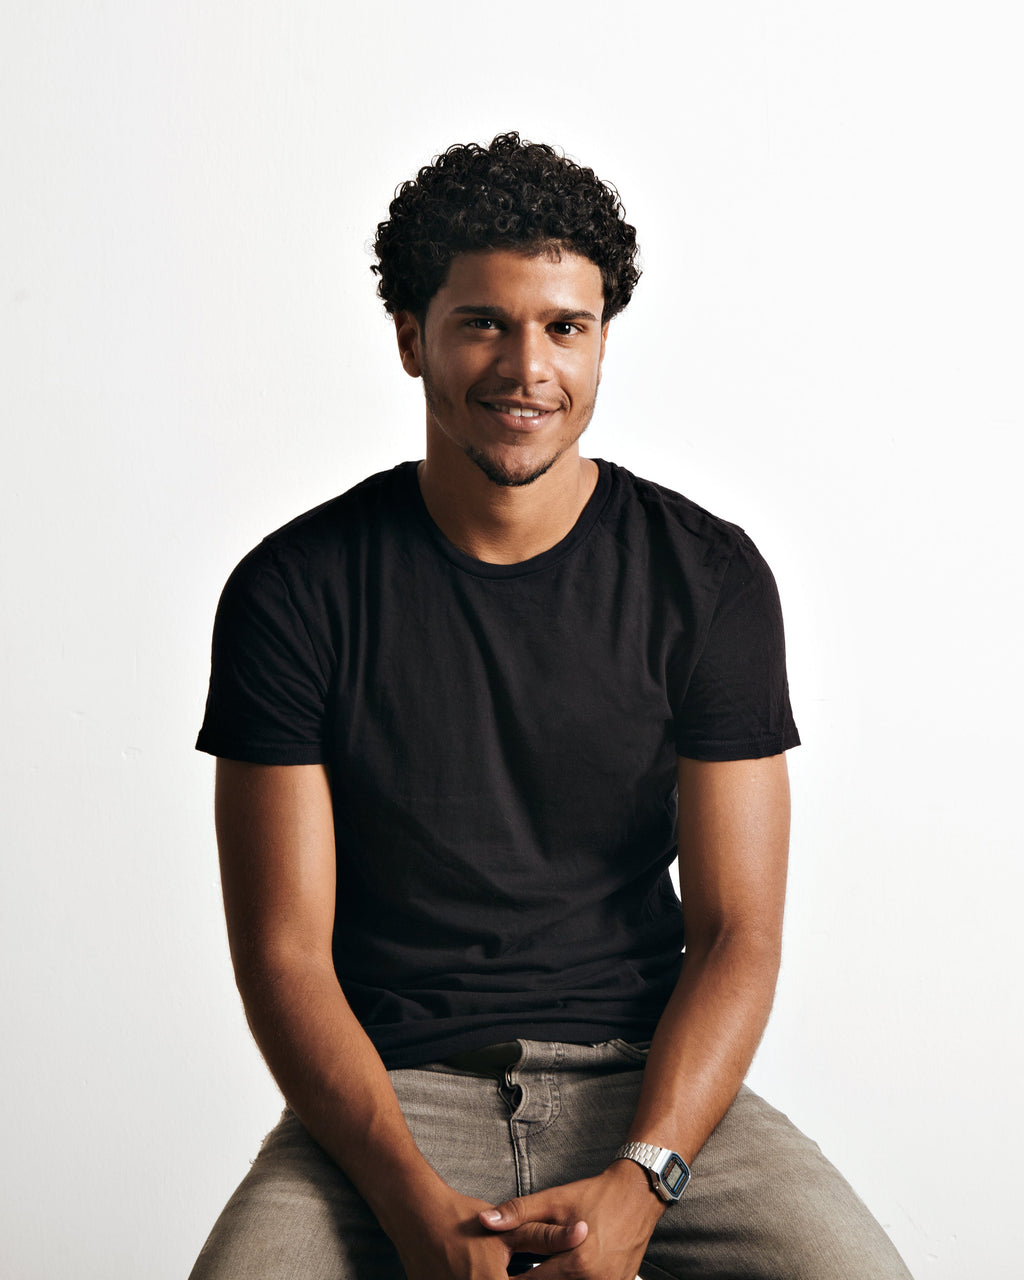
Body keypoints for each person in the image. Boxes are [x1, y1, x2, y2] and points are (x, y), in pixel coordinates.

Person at [190, 133, 912, 1279]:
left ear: (602, 342)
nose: (528, 366)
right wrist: (407, 1200)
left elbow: (738, 932)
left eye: (565, 326)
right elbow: (284, 954)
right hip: (389, 1094)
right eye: (483, 321)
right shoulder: (294, 590)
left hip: (648, 1089)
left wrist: (647, 1174)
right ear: (409, 336)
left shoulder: (707, 579)